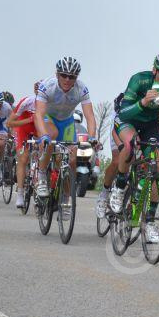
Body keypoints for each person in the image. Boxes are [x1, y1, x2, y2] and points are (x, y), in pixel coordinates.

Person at [108, 52, 159, 244]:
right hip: (128, 119)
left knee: (157, 166)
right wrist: (143, 102)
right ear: (154, 70)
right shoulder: (139, 80)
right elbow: (123, 111)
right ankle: (120, 188)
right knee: (129, 145)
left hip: (149, 124)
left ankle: (150, 221)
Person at [34, 57, 97, 219]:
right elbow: (39, 114)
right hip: (49, 118)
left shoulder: (81, 88)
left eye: (72, 77)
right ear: (57, 74)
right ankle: (41, 175)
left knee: (71, 161)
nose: (68, 80)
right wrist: (43, 136)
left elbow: (89, 116)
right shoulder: (47, 86)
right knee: (51, 136)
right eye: (64, 75)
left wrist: (92, 137)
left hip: (67, 122)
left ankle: (65, 200)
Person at [6, 82, 41, 209]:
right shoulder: (27, 102)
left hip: (39, 130)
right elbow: (10, 123)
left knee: (45, 155)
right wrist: (30, 120)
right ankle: (20, 193)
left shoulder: (50, 104)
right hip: (23, 129)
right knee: (23, 158)